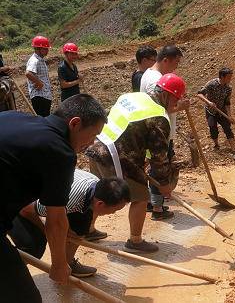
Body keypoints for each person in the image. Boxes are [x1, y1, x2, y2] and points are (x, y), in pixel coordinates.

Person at [0, 94, 107, 302]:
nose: (92, 143)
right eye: (93, 134)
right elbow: (56, 218)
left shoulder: (11, 117)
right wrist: (59, 264)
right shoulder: (60, 151)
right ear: (75, 124)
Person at [86, 74, 184, 253]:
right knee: (141, 196)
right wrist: (164, 185)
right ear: (167, 95)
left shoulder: (133, 96)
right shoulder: (160, 117)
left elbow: (129, 129)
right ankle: (135, 241)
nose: (176, 104)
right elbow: (159, 158)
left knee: (98, 193)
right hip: (115, 157)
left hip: (97, 147)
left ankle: (88, 229)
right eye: (176, 99)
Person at [9, 170, 130, 278]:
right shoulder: (67, 198)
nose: (113, 213)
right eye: (114, 210)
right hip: (15, 200)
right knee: (34, 247)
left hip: (57, 198)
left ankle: (68, 264)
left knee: (82, 225)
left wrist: (67, 231)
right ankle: (9, 274)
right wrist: (46, 230)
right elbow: (26, 210)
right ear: (100, 204)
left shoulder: (97, 188)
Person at [139, 45, 187, 220]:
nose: (176, 68)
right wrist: (180, 106)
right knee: (159, 165)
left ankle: (152, 203)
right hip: (158, 131)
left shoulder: (148, 74)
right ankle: (157, 207)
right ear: (166, 60)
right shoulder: (156, 79)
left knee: (153, 164)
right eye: (176, 63)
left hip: (156, 128)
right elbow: (162, 106)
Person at [198, 68, 235, 150]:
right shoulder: (211, 84)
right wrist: (209, 102)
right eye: (228, 77)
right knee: (212, 127)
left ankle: (233, 148)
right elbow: (200, 94)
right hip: (210, 111)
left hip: (222, 111)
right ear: (222, 76)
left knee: (227, 128)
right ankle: (216, 144)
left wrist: (229, 116)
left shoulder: (228, 88)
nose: (230, 79)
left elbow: (227, 102)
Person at [25, 36, 52, 116]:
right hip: (39, 95)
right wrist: (39, 83)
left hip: (44, 95)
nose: (47, 51)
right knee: (42, 119)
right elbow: (28, 73)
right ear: (38, 49)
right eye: (45, 49)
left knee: (45, 118)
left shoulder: (40, 60)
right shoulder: (34, 60)